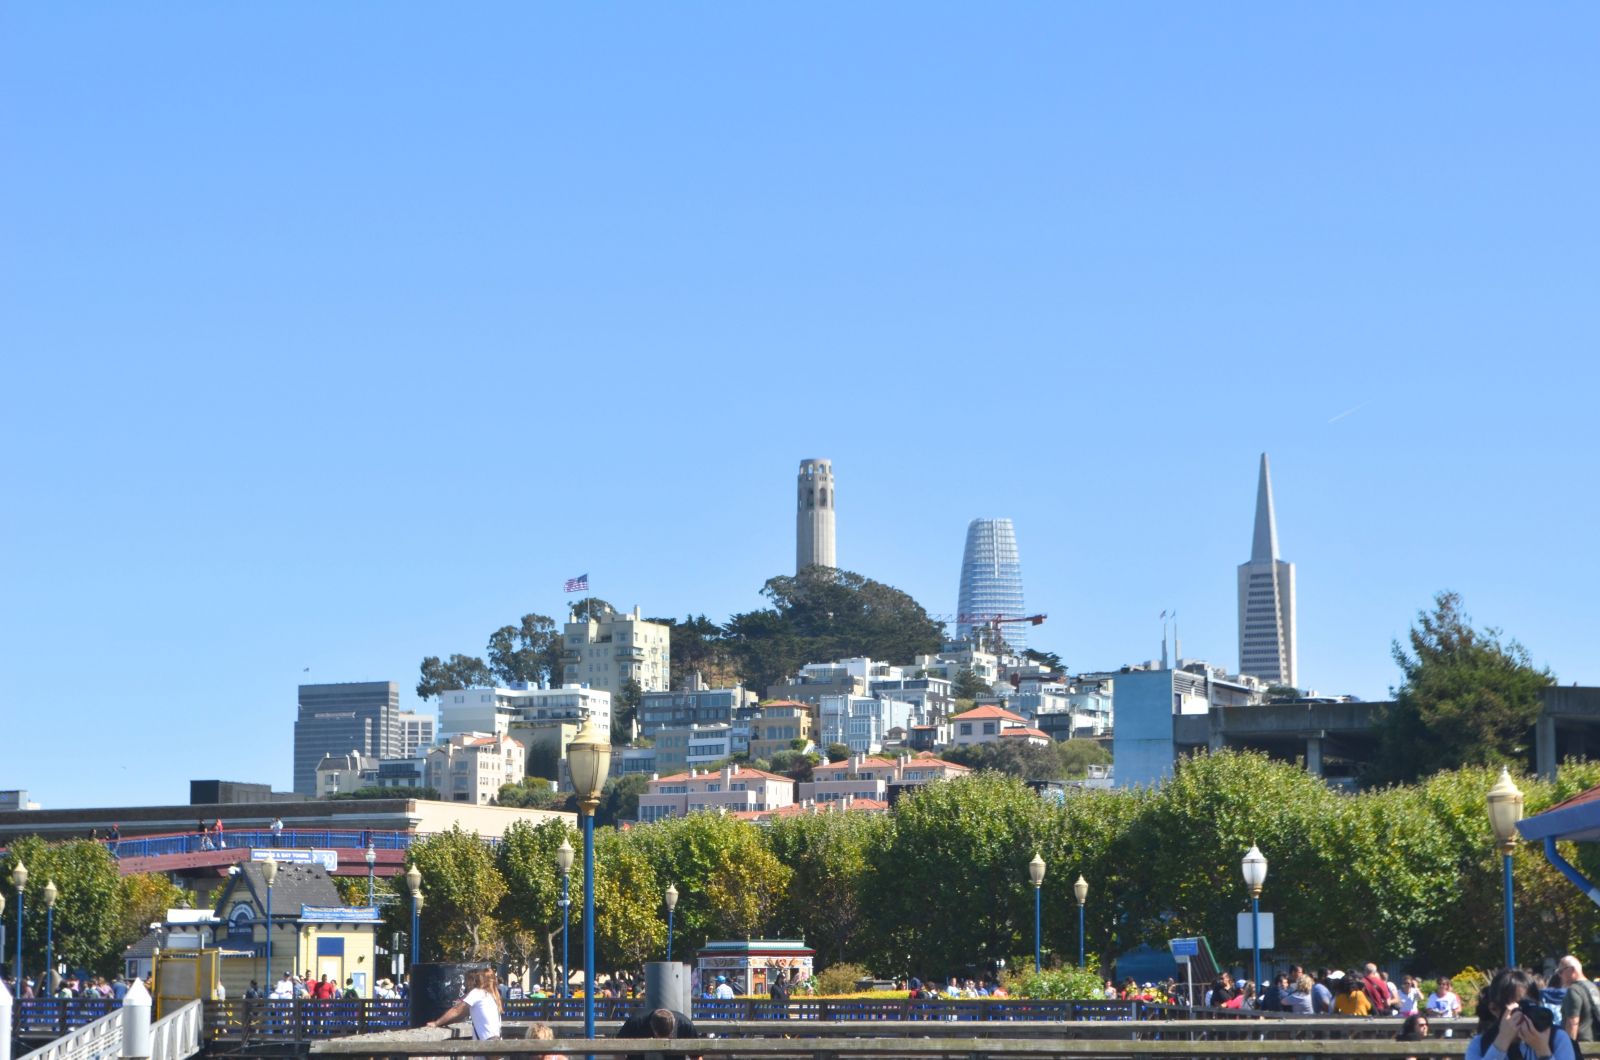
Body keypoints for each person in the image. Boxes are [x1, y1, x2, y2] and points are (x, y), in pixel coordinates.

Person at [1465, 966, 1577, 1060]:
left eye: (1531, 1005)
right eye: (1520, 1007)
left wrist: (1543, 1051)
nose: (1526, 1013)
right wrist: (1501, 1042)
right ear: (1494, 1009)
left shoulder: (1556, 1038)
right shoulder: (1480, 1043)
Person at [426, 968, 503, 1041]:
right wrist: (445, 1022)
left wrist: (437, 1023)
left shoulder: (477, 993)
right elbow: (462, 1014)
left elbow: (456, 1011)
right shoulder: (489, 996)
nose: (465, 984)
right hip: (493, 1043)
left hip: (486, 1044)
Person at [616, 1006, 700, 1060]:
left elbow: (696, 1056)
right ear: (652, 1029)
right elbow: (618, 1050)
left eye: (669, 1038)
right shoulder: (635, 1022)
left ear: (673, 1028)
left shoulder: (685, 1025)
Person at [1559, 955, 1600, 1044]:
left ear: (1572, 970)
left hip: (1581, 1046)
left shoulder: (1573, 990)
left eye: (1561, 971)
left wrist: (1568, 1048)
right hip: (1595, 1044)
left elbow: (1572, 1022)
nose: (1560, 976)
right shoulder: (1593, 987)